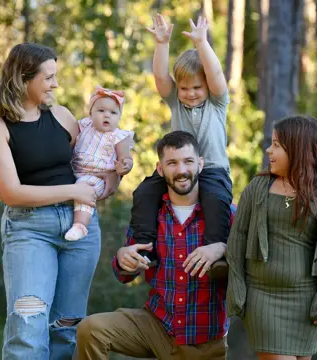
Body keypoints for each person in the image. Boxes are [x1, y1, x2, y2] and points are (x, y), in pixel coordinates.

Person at [0, 43, 128, 359]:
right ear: (22, 78)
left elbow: (91, 165)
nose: (55, 85)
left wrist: (115, 174)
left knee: (66, 330)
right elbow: (11, 192)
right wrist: (73, 192)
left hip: (81, 230)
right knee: (28, 328)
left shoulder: (62, 116)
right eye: (48, 77)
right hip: (29, 228)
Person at [76, 131, 236, 360]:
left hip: (204, 339)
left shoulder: (225, 215)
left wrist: (222, 248)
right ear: (160, 169)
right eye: (172, 163)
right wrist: (122, 258)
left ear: (200, 164)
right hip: (155, 324)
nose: (181, 170)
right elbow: (123, 274)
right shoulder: (150, 214)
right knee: (91, 329)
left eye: (188, 161)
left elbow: (252, 262)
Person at [226, 115, 317, 360]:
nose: (268, 150)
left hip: (306, 306)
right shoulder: (257, 189)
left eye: (276, 145)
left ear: (298, 150)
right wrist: (238, 289)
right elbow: (237, 239)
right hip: (262, 298)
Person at [128, 14, 232, 277]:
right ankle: (145, 248)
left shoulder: (217, 103)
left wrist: (201, 43)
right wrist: (162, 43)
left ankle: (215, 250)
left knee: (216, 199)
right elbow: (161, 76)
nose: (191, 93)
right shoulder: (175, 101)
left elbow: (216, 72)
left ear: (207, 85)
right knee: (144, 193)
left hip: (212, 170)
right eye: (184, 88)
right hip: (176, 169)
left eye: (197, 87)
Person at [65, 85, 134, 241]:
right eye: (101, 111)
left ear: (119, 117)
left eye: (113, 112)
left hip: (97, 177)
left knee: (84, 189)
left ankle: (80, 225)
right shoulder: (84, 125)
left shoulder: (119, 137)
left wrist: (125, 166)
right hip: (76, 170)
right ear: (90, 113)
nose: (107, 116)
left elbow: (126, 157)